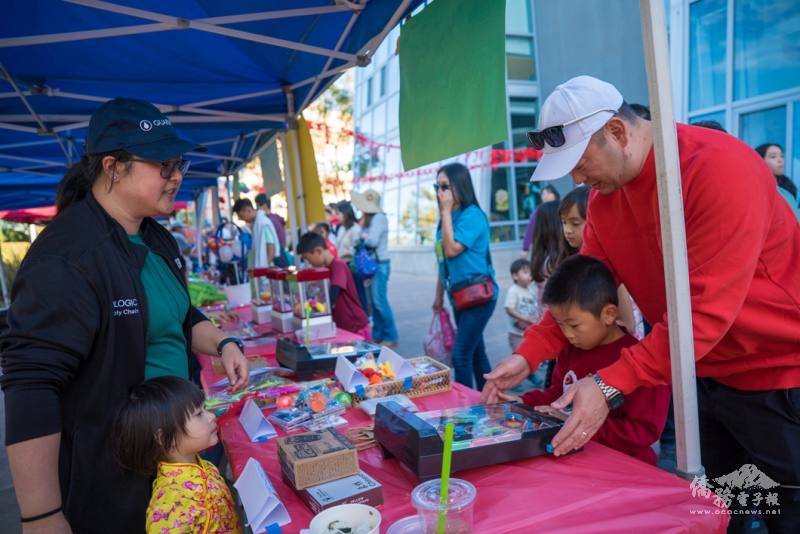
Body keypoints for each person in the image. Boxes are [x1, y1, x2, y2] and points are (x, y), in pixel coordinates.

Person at [482, 76, 800, 530]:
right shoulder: (605, 200)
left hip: (776, 377)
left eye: (579, 160)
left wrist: (610, 385)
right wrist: (526, 353)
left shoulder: (718, 168)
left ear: (617, 132)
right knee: (726, 509)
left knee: (786, 512)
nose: (575, 178)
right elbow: (582, 283)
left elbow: (702, 315)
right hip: (702, 378)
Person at [0, 97, 250, 533]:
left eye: (179, 164)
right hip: (112, 475)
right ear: (113, 166)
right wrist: (41, 515)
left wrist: (225, 343)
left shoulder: (157, 239)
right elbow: (31, 385)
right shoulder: (68, 255)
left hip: (173, 456)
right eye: (163, 166)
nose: (175, 177)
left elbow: (180, 313)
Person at [498, 256, 670, 465]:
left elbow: (642, 431)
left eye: (574, 325)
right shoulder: (572, 349)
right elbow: (559, 393)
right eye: (560, 325)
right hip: (575, 460)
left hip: (626, 468)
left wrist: (577, 424)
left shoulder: (642, 362)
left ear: (608, 314)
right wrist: (525, 403)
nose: (567, 335)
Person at [111, 376, 241, 534]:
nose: (211, 416)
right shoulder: (171, 503)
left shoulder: (204, 466)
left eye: (205, 409)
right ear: (164, 437)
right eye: (199, 414)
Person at [431, 163, 498, 389]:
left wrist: (445, 212)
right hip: (458, 297)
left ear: (460, 185)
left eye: (445, 186)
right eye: (437, 187)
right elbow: (444, 261)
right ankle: (489, 400)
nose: (441, 193)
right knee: (476, 353)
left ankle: (465, 408)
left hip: (479, 296)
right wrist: (438, 296)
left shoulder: (472, 215)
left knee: (460, 355)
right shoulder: (446, 220)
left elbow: (451, 249)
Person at [557, 186, 639, 337]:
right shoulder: (570, 260)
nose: (567, 230)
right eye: (564, 222)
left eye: (575, 223)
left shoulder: (606, 266)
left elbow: (628, 324)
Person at [297, 232, 370, 339]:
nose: (310, 263)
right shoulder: (326, 269)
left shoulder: (338, 265)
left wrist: (313, 309)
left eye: (308, 259)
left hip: (356, 327)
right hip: (343, 327)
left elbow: (332, 296)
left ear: (318, 251)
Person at [352, 188, 399, 346]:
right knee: (375, 301)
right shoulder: (373, 218)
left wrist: (363, 237)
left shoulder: (378, 218)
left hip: (379, 265)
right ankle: (379, 334)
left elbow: (372, 241)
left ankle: (391, 336)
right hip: (375, 265)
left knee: (379, 301)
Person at [335, 201, 369, 313]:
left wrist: (347, 252)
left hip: (353, 266)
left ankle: (364, 317)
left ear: (345, 214)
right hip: (343, 265)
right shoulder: (341, 228)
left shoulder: (355, 229)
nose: (337, 216)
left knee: (359, 293)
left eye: (338, 213)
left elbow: (358, 248)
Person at [504, 258, 543, 352]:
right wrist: (526, 319)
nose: (530, 276)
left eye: (531, 273)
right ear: (515, 276)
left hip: (531, 332)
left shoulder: (531, 289)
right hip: (517, 335)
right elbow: (509, 309)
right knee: (520, 356)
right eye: (525, 273)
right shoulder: (513, 291)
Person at [755, 143, 800, 221]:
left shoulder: (788, 191)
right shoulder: (756, 189)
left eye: (782, 156)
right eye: (773, 157)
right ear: (760, 160)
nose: (780, 160)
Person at [233, 197, 279, 268]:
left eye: (242, 216)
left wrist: (263, 269)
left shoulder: (263, 224)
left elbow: (271, 249)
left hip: (264, 270)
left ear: (248, 210)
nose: (242, 219)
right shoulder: (256, 224)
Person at [521, 184, 560, 257]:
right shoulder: (539, 210)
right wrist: (525, 248)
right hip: (544, 246)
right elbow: (530, 228)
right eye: (543, 194)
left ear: (555, 195)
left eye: (548, 193)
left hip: (560, 243)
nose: (545, 196)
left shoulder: (562, 207)